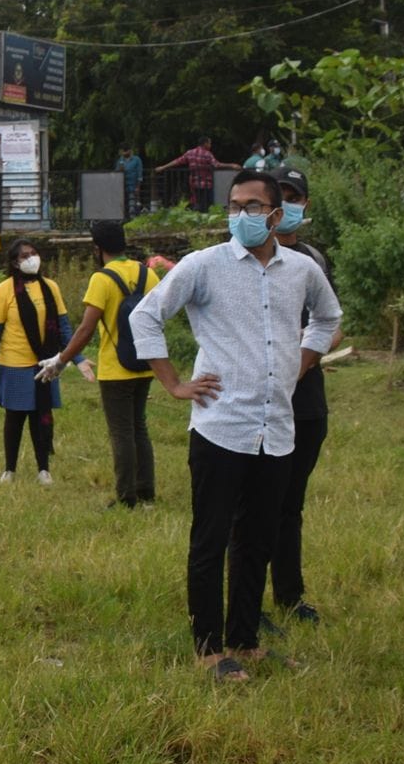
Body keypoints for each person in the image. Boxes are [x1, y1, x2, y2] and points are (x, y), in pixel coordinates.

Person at [127, 169, 341, 681]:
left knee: (259, 539)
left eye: (253, 205)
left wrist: (301, 362)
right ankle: (208, 647)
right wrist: (175, 384)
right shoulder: (205, 265)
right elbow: (145, 316)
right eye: (235, 205)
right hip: (221, 427)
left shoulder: (301, 270)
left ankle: (245, 641)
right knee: (211, 538)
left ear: (275, 214)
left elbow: (328, 319)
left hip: (277, 429)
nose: (242, 214)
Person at [240, 167, 339, 628]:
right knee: (252, 505)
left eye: (296, 196)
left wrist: (296, 367)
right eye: (283, 195)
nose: (289, 204)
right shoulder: (237, 261)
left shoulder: (313, 261)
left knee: (289, 503)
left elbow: (329, 324)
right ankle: (247, 602)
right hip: (254, 404)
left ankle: (289, 594)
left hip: (304, 400)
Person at [39, 220, 162, 508]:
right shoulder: (148, 273)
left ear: (97, 248)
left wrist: (61, 360)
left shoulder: (102, 279)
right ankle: (146, 493)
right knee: (139, 427)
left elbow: (85, 329)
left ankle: (126, 497)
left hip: (115, 369)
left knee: (121, 432)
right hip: (145, 362)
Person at [0, 238, 72, 486]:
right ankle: (9, 469)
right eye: (24, 256)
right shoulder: (4, 290)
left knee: (41, 415)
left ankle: (44, 469)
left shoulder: (50, 287)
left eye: (34, 253)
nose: (31, 258)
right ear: (14, 262)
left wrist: (75, 356)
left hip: (46, 364)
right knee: (15, 417)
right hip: (14, 364)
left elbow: (63, 326)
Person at [158, 136, 227, 210]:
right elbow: (216, 164)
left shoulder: (190, 152)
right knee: (207, 204)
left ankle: (197, 213)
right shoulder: (207, 154)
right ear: (205, 144)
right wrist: (232, 165)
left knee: (197, 201)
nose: (210, 145)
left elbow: (177, 161)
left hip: (194, 183)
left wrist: (163, 167)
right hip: (206, 183)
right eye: (210, 143)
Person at [115, 146, 145, 215]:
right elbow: (116, 173)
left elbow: (139, 173)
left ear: (130, 151)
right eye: (123, 151)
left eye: (126, 150)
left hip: (133, 184)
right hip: (122, 185)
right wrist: (120, 170)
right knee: (122, 203)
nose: (124, 152)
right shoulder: (120, 160)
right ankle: (122, 219)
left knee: (132, 203)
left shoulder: (136, 159)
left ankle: (132, 218)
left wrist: (138, 186)